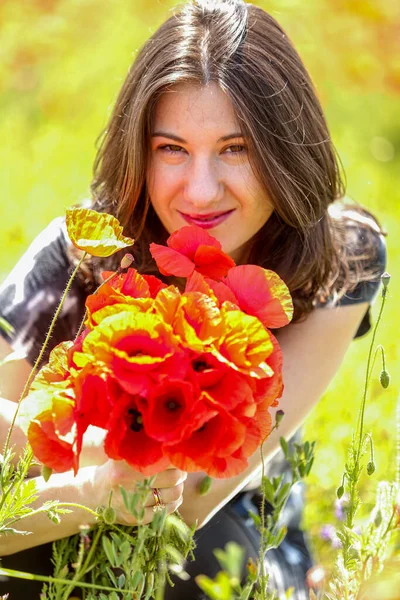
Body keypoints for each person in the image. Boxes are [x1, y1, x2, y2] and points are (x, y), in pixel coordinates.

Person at [0, 0, 386, 598]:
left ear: (286, 149)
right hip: (58, 526)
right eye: (171, 149)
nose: (201, 191)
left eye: (236, 148)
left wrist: (55, 442)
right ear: (139, 152)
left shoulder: (344, 255)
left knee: (197, 566)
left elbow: (195, 500)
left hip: (231, 533)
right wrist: (87, 489)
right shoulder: (81, 250)